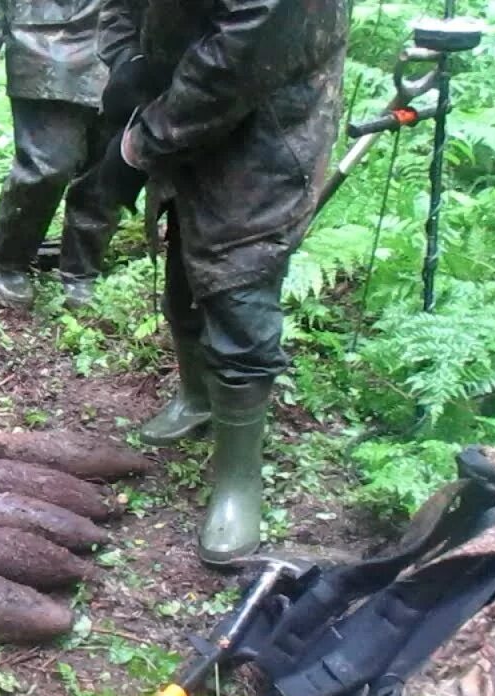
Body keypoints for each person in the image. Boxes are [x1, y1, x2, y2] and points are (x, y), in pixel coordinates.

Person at [96, 0, 348, 562]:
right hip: (177, 103)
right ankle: (197, 397)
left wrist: (150, 137)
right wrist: (129, 59)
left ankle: (239, 480)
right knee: (183, 261)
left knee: (240, 281)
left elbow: (250, 39)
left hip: (266, 122)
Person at [0, 0, 118, 310]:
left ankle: (82, 271)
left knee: (107, 170)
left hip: (122, 41)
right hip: (45, 43)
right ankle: (9, 262)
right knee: (48, 166)